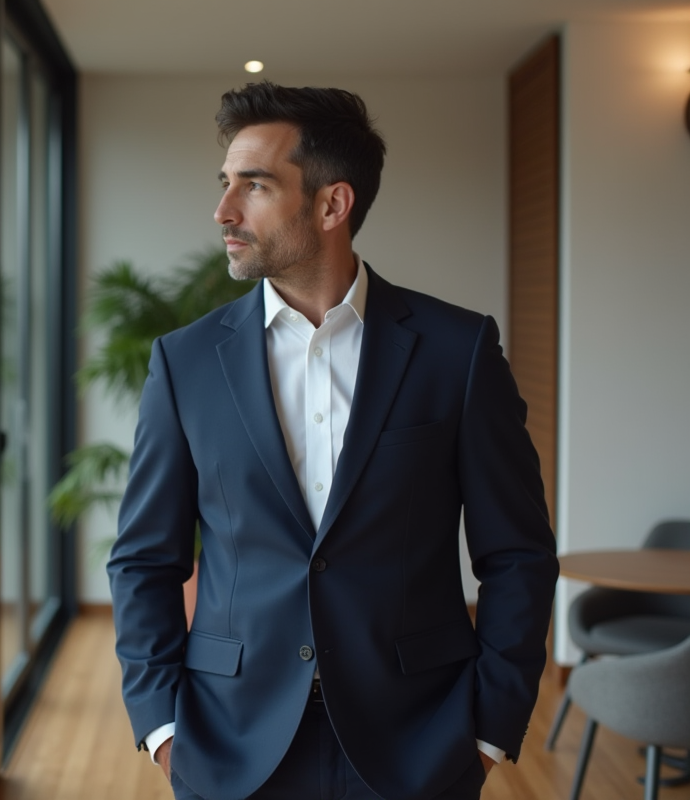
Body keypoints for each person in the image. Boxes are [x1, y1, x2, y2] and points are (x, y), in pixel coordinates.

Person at [106, 82, 559, 800]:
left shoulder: (457, 350)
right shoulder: (185, 363)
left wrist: (487, 728)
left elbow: (518, 554)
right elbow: (142, 559)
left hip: (418, 740)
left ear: (331, 204)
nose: (223, 211)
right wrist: (162, 728)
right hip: (230, 741)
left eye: (253, 187)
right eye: (225, 184)